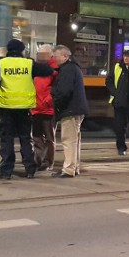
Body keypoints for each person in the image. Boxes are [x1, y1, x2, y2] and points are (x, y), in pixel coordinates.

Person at [0, 38, 54, 179]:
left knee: (7, 140)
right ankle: (30, 169)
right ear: (22, 50)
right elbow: (48, 70)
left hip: (6, 108)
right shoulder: (29, 64)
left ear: (8, 50)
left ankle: (6, 171)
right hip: (24, 108)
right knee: (25, 138)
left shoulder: (0, 64)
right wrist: (41, 59)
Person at [51, 45, 89, 178]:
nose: (54, 58)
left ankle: (68, 169)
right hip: (76, 108)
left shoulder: (68, 69)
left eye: (56, 56)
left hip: (70, 109)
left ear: (65, 56)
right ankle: (74, 167)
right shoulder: (73, 68)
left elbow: (64, 91)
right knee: (74, 140)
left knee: (68, 140)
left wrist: (55, 101)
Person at [31, 44, 58, 171]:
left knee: (48, 138)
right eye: (39, 54)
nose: (40, 56)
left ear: (50, 55)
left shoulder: (55, 69)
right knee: (36, 137)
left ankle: (49, 162)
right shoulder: (36, 68)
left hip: (48, 109)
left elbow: (57, 89)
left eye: (43, 54)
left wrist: (49, 101)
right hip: (35, 108)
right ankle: (38, 160)